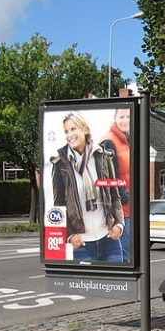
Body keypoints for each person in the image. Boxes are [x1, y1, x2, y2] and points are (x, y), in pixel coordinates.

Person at [50, 112, 124, 262]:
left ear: (84, 129)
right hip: (83, 244)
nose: (69, 135)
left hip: (109, 240)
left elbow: (115, 196)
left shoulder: (103, 157)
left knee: (116, 284)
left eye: (73, 129)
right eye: (66, 131)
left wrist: (119, 224)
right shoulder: (60, 165)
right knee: (87, 285)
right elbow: (59, 206)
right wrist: (70, 236)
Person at [100, 108, 132, 262]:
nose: (125, 120)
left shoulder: (126, 141)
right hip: (121, 214)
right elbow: (107, 177)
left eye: (128, 116)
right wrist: (126, 197)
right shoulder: (109, 142)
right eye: (121, 117)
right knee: (124, 259)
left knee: (128, 257)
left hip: (129, 212)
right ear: (115, 118)